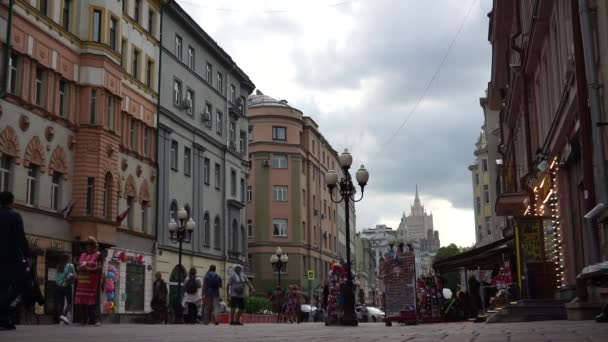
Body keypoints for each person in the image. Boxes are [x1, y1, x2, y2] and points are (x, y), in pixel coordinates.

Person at [0, 191, 30, 330]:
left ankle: (5, 319)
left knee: (2, 287)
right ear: (11, 201)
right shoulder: (14, 216)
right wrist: (27, 255)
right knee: (18, 284)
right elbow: (21, 237)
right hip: (11, 257)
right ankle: (3, 313)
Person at [74, 236, 102, 326]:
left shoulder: (98, 255)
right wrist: (79, 268)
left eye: (89, 245)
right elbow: (78, 267)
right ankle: (83, 320)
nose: (87, 247)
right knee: (82, 302)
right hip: (82, 282)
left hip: (93, 283)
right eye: (87, 245)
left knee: (93, 302)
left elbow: (99, 267)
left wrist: (88, 269)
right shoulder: (83, 255)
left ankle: (94, 319)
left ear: (94, 246)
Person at [56, 254, 76, 325]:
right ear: (68, 259)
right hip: (67, 286)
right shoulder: (70, 266)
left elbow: (57, 278)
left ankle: (60, 319)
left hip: (58, 286)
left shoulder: (59, 266)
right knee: (70, 303)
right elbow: (74, 276)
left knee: (60, 303)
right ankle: (64, 315)